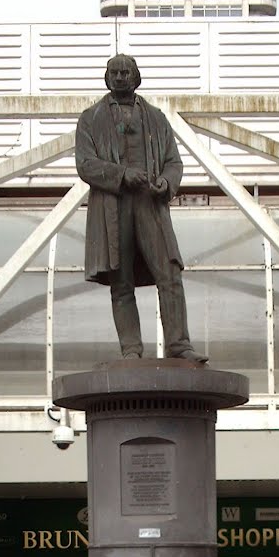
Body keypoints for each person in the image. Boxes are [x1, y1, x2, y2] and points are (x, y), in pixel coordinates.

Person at [75, 54, 208, 363]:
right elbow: (85, 164)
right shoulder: (90, 118)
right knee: (121, 282)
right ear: (107, 78)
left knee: (169, 272)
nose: (120, 77)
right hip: (113, 206)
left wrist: (166, 181)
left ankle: (179, 344)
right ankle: (131, 349)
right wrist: (121, 175)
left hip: (150, 203)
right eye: (115, 73)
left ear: (136, 77)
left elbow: (174, 161)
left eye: (126, 72)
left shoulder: (157, 118)